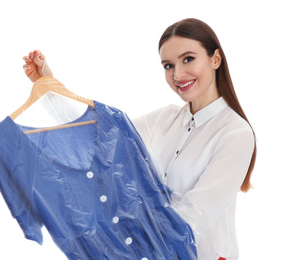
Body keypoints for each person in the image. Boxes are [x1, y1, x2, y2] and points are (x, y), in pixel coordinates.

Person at [22, 18, 256, 260]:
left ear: (215, 59)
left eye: (188, 59)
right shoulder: (166, 119)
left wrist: (125, 236)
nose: (178, 74)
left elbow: (197, 216)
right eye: (168, 65)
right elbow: (97, 140)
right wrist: (47, 85)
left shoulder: (235, 134)